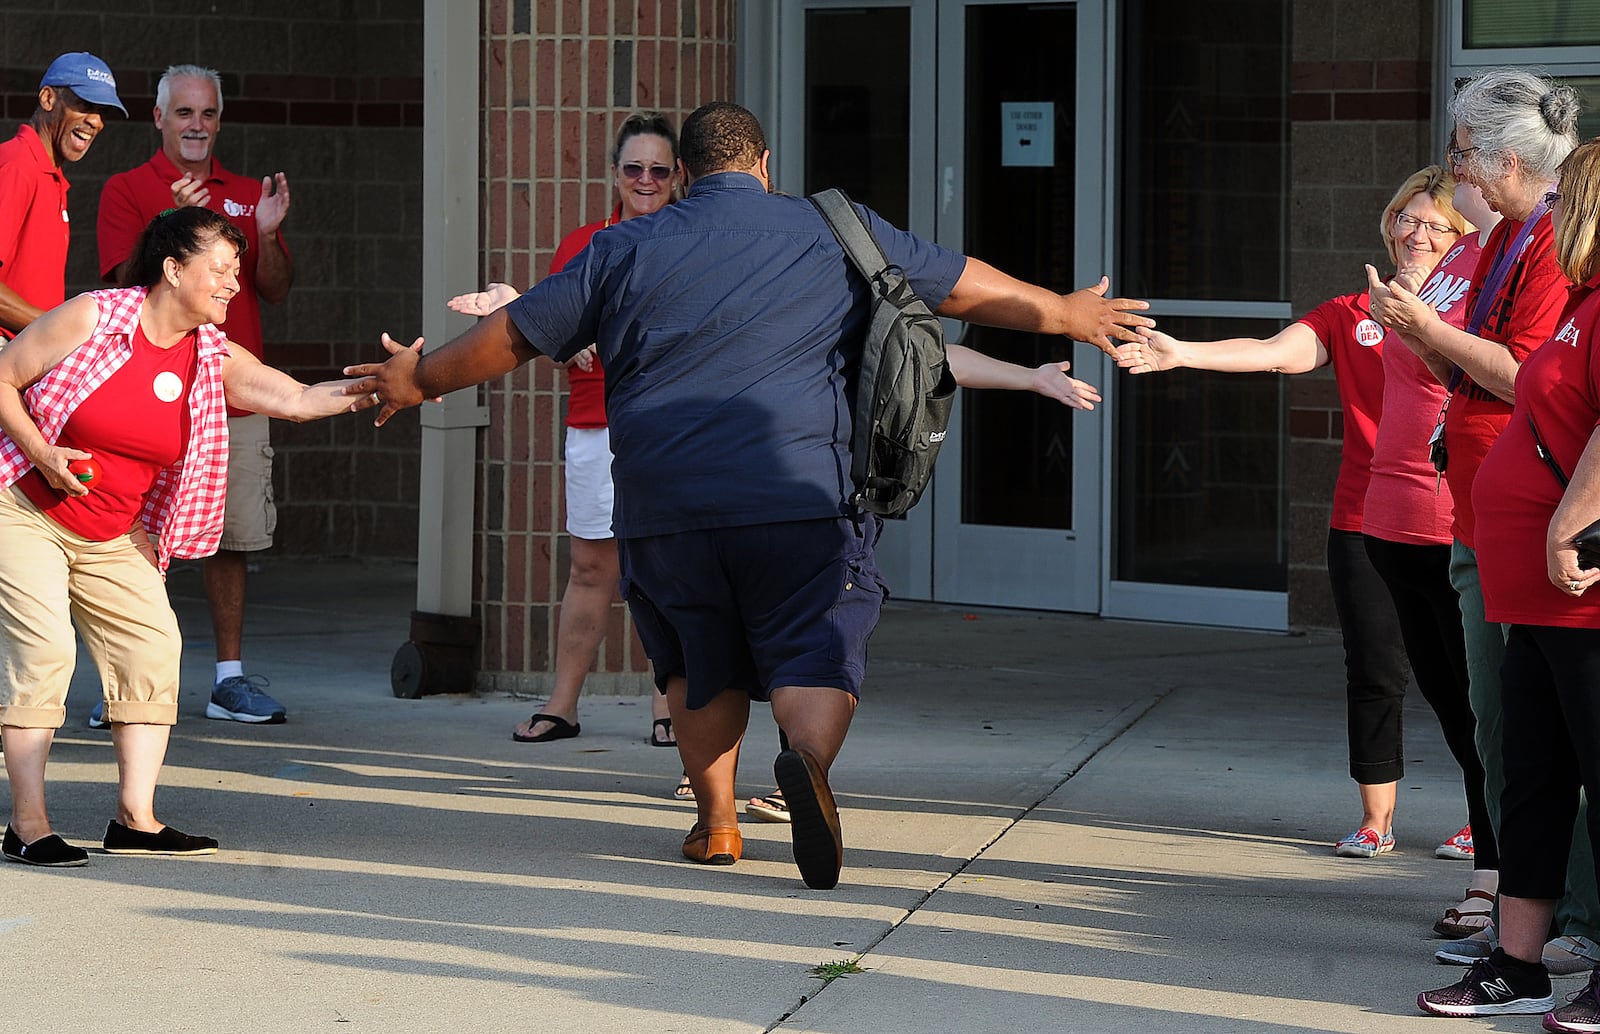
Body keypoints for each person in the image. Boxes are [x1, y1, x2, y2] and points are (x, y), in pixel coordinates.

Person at [350, 100, 1152, 890]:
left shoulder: (621, 245)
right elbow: (962, 289)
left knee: (700, 665)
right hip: (801, 496)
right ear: (766, 166)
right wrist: (1063, 312)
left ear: (687, 174)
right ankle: (805, 762)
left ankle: (720, 825)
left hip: (668, 508)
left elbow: (515, 333)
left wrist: (418, 381)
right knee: (816, 644)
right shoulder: (834, 229)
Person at [1116, 166, 1500, 935]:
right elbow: (1276, 350)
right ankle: (1382, 818)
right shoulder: (1356, 310)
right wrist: (1182, 354)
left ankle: (1491, 842)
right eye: (1404, 219)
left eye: (1435, 223)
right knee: (1383, 670)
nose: (1415, 233)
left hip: (1459, 526)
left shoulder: (1480, 308)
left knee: (1475, 696)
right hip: (1371, 521)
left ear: (1464, 237)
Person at [0, 207, 378, 866]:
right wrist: (43, 452)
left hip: (113, 531)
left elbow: (296, 399)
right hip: (26, 508)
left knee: (153, 646)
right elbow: (3, 375)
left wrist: (390, 386)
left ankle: (135, 819)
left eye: (238, 271)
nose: (235, 283)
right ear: (173, 269)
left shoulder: (210, 355)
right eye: (222, 270)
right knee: (46, 651)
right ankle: (28, 824)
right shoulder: (94, 317)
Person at [1368, 69, 1593, 976]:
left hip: (1545, 532)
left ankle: (1561, 923)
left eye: (1460, 152)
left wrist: (1421, 328)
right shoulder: (1503, 238)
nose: (1449, 171)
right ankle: (1521, 924)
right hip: (1490, 525)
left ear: (1504, 159)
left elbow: (1521, 373)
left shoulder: (1549, 247)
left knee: (1544, 743)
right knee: (1509, 734)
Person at [1415, 137, 1600, 1025]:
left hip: (1584, 584)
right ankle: (1515, 965)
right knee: (1531, 776)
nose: (1547, 218)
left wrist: (1566, 522)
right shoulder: (1582, 303)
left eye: (1567, 202)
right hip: (1533, 589)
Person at [450, 112, 682, 753]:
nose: (645, 179)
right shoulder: (584, 241)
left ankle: (669, 705)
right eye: (633, 168)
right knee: (589, 569)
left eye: (659, 169)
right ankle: (563, 704)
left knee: (663, 571)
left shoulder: (691, 237)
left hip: (670, 429)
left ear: (678, 176)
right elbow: (553, 328)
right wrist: (515, 307)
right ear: (615, 173)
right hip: (595, 426)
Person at [94, 64, 295, 727]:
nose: (196, 126)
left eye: (207, 114)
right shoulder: (126, 190)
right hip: (142, 398)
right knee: (130, 537)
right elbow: (120, 288)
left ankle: (228, 681)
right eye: (184, 113)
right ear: (159, 119)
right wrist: (171, 223)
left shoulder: (244, 192)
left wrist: (264, 233)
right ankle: (126, 685)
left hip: (230, 400)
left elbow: (274, 288)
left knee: (231, 541)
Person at [0, 52, 126, 340]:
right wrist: (62, 329)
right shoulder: (17, 165)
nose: (96, 121)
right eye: (84, 105)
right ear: (47, 99)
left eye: (102, 112)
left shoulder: (49, 174)